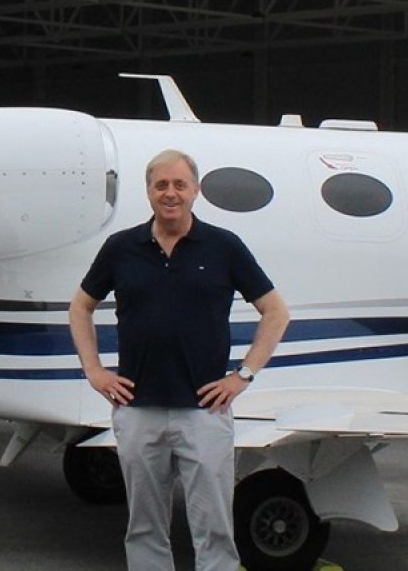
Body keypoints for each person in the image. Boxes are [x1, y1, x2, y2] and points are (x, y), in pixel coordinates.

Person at [68, 149, 291, 571]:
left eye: (179, 185)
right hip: (138, 411)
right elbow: (80, 307)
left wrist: (242, 375)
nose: (170, 194)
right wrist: (94, 371)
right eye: (161, 185)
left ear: (195, 190)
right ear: (149, 192)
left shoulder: (224, 247)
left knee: (214, 529)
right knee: (144, 528)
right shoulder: (122, 248)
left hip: (204, 413)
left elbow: (276, 312)